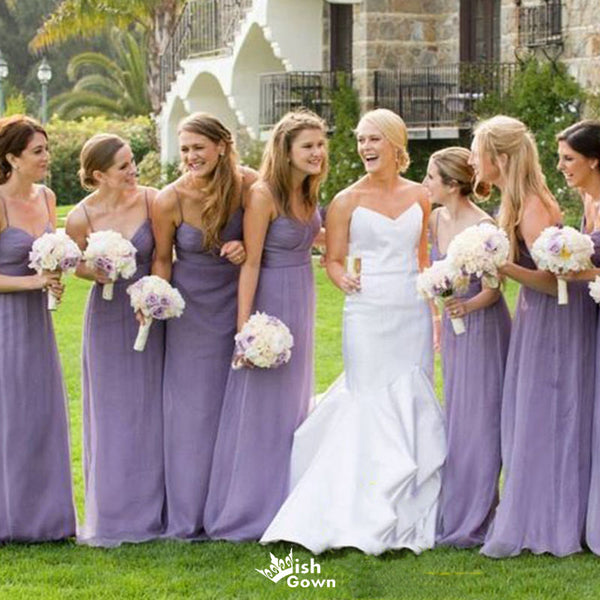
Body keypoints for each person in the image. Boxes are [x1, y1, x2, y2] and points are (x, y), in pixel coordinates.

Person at [261, 108, 445, 555]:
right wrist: (341, 277)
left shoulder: (420, 196)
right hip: (366, 310)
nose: (365, 147)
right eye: (361, 139)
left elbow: (422, 258)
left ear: (395, 144)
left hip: (410, 310)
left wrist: (434, 311)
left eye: (374, 139)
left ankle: (412, 502)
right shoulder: (346, 200)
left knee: (412, 395)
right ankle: (356, 505)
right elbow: (333, 259)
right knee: (368, 397)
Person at [471, 116, 596, 558]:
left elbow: (553, 280)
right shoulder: (516, 201)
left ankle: (551, 519)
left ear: (500, 158)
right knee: (533, 414)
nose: (473, 161)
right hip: (536, 315)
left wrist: (501, 265)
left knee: (549, 414)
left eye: (478, 153)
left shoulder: (532, 206)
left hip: (555, 317)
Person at [203, 110, 326, 541]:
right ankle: (250, 506)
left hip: (303, 297)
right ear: (286, 151)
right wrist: (245, 331)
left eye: (321, 144)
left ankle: (288, 497)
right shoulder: (263, 195)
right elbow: (251, 263)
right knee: (262, 405)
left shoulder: (309, 191)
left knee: (293, 402)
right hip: (270, 302)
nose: (317, 152)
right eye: (308, 146)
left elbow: (316, 238)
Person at [152, 113, 254, 539]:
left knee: (237, 402)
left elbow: (265, 238)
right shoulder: (169, 199)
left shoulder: (249, 186)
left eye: (199, 147)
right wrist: (155, 298)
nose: (191, 156)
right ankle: (190, 511)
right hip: (190, 313)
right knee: (193, 410)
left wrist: (244, 244)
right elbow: (162, 259)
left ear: (221, 146)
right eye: (185, 149)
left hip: (238, 303)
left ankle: (234, 505)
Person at [66, 133, 164, 546]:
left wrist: (154, 294)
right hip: (106, 317)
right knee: (111, 411)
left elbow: (163, 255)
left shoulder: (152, 200)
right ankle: (113, 511)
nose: (132, 170)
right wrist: (97, 270)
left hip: (149, 312)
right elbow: (75, 264)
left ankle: (155, 509)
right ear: (98, 174)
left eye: (132, 161)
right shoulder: (81, 217)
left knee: (151, 407)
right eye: (123, 166)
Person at [424, 147, 511, 547]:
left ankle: (479, 514)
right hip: (454, 330)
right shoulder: (435, 219)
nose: (425, 184)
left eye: (431, 177)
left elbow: (494, 289)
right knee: (458, 416)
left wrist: (467, 305)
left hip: (483, 327)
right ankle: (456, 508)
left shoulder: (483, 225)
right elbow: (433, 271)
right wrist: (439, 311)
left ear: (453, 184)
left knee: (481, 419)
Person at [0, 115, 76, 541]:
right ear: (13, 158)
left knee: (41, 415)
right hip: (5, 324)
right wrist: (33, 282)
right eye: (38, 151)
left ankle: (48, 519)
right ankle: (8, 517)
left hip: (38, 324)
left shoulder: (47, 197)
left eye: (47, 149)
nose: (47, 157)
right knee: (10, 417)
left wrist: (54, 276)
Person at [556, 120, 600, 554]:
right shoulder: (588, 202)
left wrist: (578, 272)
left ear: (594, 161)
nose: (562, 166)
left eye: (569, 159)